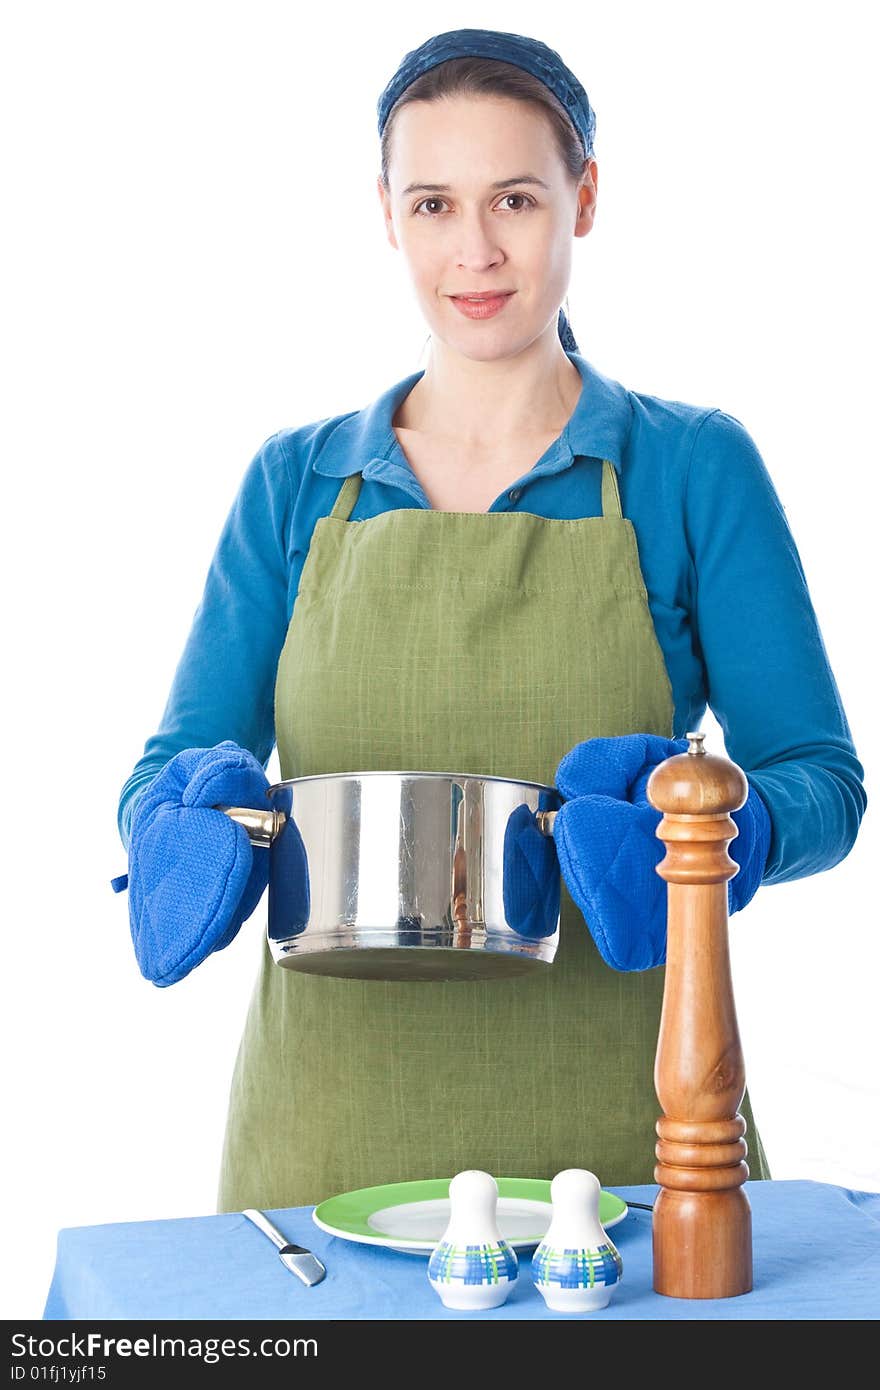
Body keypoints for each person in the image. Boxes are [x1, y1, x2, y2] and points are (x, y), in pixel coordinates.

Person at [112, 29, 866, 1213]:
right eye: (432, 204)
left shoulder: (687, 467)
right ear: (386, 215)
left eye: (515, 197)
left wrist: (709, 834)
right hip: (326, 1139)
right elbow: (169, 763)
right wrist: (178, 820)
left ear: (586, 196)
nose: (474, 250)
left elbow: (820, 778)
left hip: (627, 1139)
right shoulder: (295, 484)